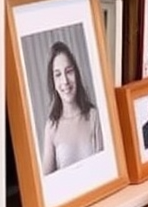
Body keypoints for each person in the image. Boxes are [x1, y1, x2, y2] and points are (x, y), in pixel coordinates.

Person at [41, 42, 103, 174]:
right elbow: (46, 182)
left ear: (76, 74)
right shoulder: (51, 127)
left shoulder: (94, 117)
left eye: (69, 71)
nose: (65, 81)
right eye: (58, 75)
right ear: (53, 82)